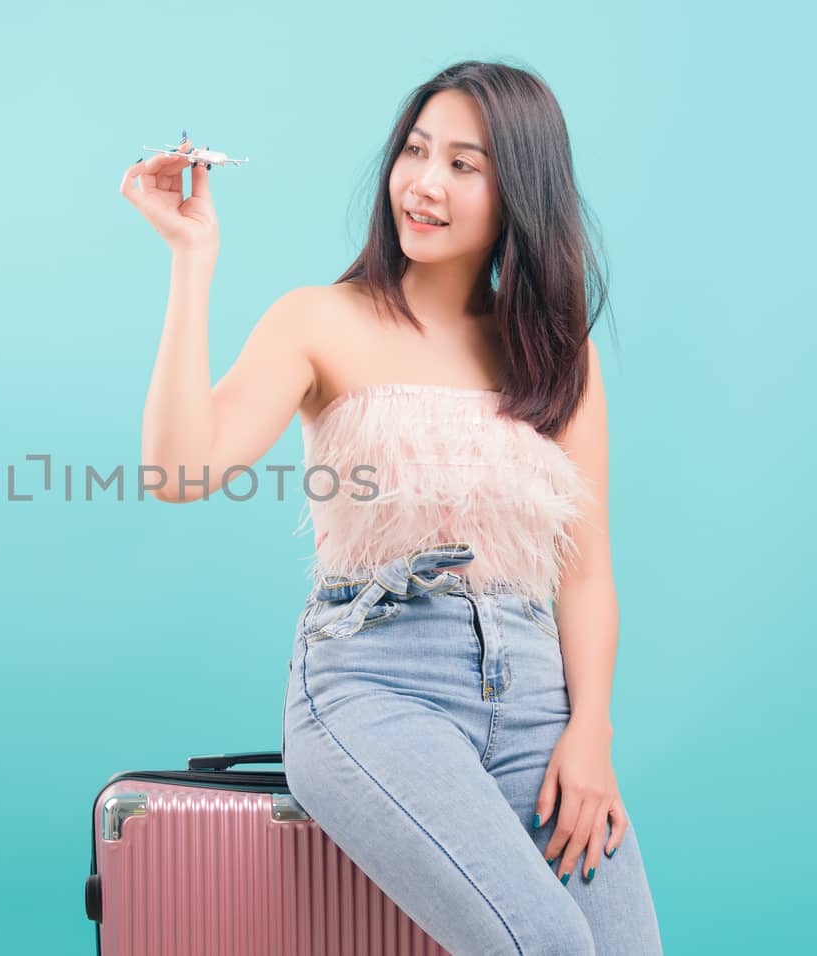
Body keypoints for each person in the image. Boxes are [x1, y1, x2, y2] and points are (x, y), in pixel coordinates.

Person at [121, 60, 663, 954]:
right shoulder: (319, 320)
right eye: (415, 152)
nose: (424, 183)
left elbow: (589, 569)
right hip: (378, 685)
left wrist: (591, 732)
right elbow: (178, 473)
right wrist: (192, 263)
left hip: (537, 700)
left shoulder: (561, 355)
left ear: (520, 191)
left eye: (464, 164)